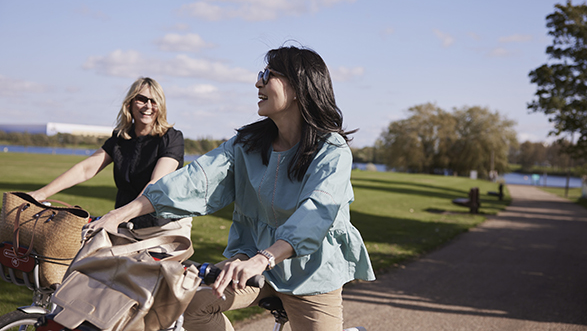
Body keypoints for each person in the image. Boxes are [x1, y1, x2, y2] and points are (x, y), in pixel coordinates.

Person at [89, 46, 376, 330]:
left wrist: (263, 260)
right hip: (252, 258)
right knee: (193, 307)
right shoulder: (248, 143)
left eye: (269, 74)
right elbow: (195, 180)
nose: (258, 82)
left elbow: (316, 214)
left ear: (299, 87)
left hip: (310, 273)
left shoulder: (332, 150)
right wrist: (119, 215)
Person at [29, 77, 191, 237]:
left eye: (154, 101)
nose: (148, 105)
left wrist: (116, 216)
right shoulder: (121, 138)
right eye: (142, 99)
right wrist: (41, 193)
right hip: (125, 224)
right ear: (130, 103)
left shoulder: (171, 138)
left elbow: (155, 185)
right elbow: (85, 169)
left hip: (162, 227)